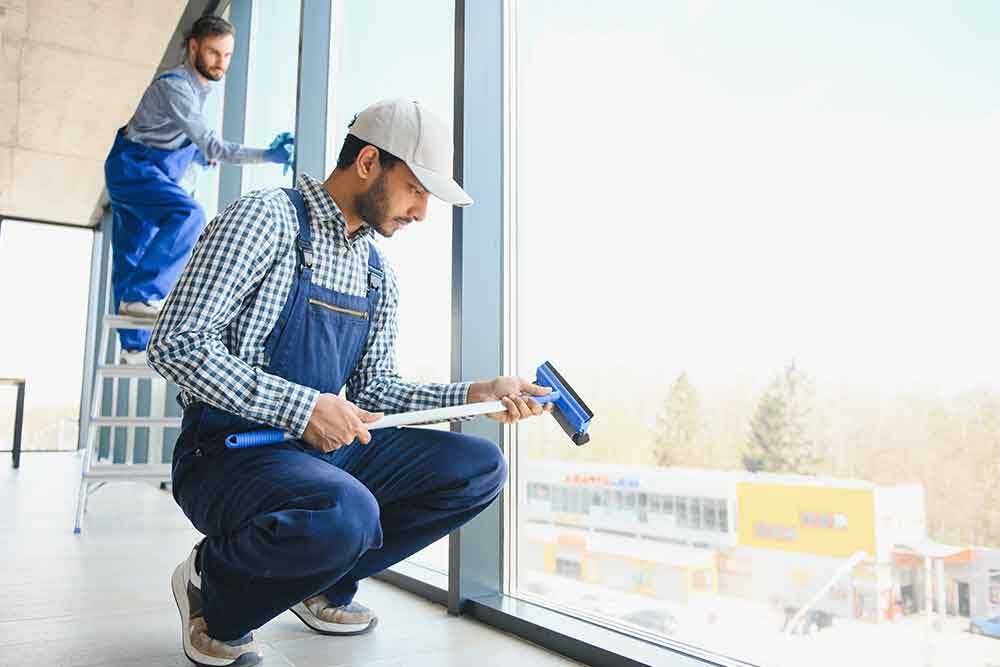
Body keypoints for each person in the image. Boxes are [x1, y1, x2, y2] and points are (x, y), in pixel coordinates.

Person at [147, 98, 553, 667]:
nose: (421, 213)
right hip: (229, 454)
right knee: (348, 512)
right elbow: (175, 344)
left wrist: (473, 394)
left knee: (479, 469)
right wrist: (303, 407)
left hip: (321, 457)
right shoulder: (263, 219)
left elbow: (375, 391)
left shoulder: (374, 271)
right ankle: (211, 588)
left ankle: (319, 583)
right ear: (368, 162)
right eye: (416, 190)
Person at [104, 15, 295, 364]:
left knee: (131, 257)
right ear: (193, 47)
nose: (221, 63)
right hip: (134, 169)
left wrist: (192, 155)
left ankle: (132, 347)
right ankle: (145, 294)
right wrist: (268, 155)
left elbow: (177, 137)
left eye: (227, 55)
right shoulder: (176, 86)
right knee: (189, 215)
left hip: (149, 172)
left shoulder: (198, 90)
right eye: (213, 53)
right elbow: (214, 145)